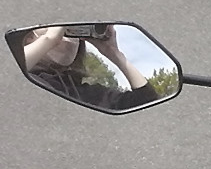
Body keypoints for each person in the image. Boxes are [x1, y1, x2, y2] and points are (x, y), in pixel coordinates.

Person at [22, 25, 160, 110]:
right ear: (28, 38)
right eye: (61, 30)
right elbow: (11, 75)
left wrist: (115, 54)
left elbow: (147, 104)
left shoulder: (89, 94)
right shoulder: (25, 81)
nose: (68, 39)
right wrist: (49, 39)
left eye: (73, 33)